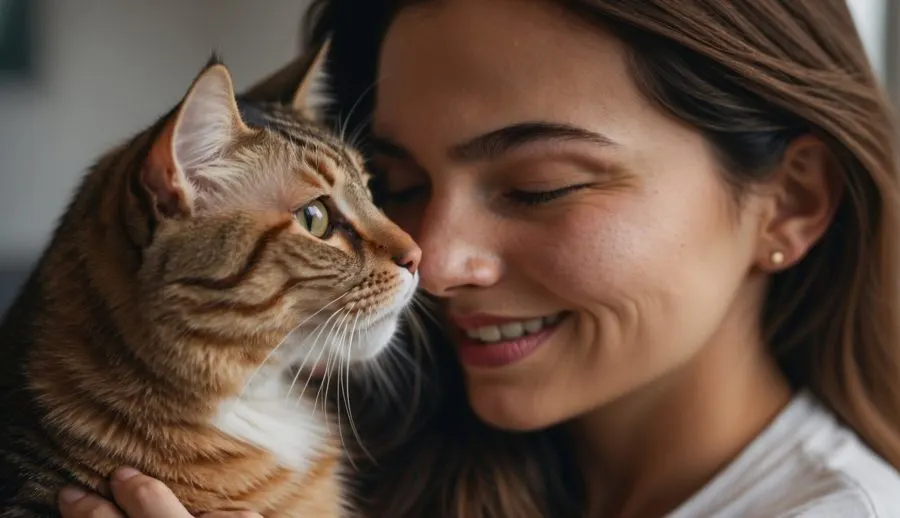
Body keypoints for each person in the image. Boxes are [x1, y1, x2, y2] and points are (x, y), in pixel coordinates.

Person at [58, 1, 900, 517]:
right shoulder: (367, 432)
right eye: (396, 182)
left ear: (789, 202)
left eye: (540, 186)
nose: (435, 261)